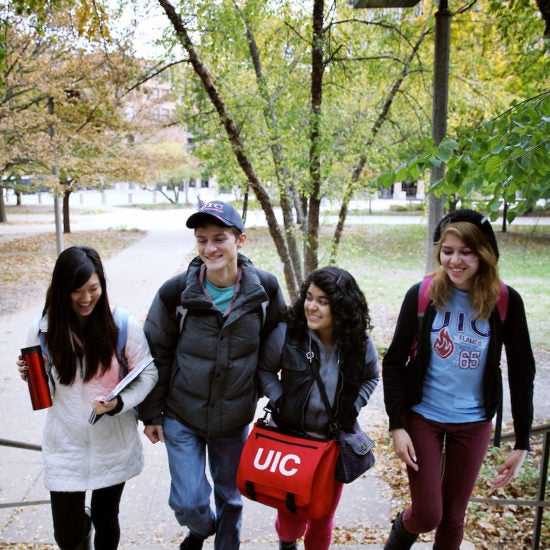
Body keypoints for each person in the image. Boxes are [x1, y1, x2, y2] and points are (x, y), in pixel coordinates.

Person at [382, 209, 536, 549]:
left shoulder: (505, 301)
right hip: (423, 417)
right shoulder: (422, 295)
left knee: (453, 518)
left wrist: (522, 442)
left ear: (484, 254)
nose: (455, 260)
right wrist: (397, 425)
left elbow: (522, 372)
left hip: (473, 421)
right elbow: (393, 361)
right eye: (448, 251)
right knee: (427, 514)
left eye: (466, 251)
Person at [138, 200, 286, 550]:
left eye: (219, 238)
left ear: (241, 240)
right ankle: (201, 528)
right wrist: (150, 413)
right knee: (189, 502)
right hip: (181, 414)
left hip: (234, 417)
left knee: (231, 498)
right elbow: (156, 351)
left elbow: (279, 336)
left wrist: (265, 387)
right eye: (202, 239)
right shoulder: (176, 292)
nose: (210, 248)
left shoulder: (265, 289)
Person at [16, 246, 158, 550]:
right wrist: (33, 376)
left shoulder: (121, 325)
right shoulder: (42, 330)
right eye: (76, 291)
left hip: (112, 442)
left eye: (93, 288)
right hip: (65, 442)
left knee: (107, 519)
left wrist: (118, 404)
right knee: (67, 534)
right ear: (61, 290)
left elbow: (148, 373)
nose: (85, 298)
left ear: (102, 286)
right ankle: (83, 526)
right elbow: (46, 395)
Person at [258, 266, 380, 550]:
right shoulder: (287, 334)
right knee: (291, 520)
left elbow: (372, 375)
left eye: (322, 301)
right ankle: (287, 544)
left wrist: (354, 405)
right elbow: (264, 370)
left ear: (341, 307)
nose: (311, 306)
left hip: (330, 444)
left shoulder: (358, 341)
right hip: (290, 440)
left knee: (322, 515)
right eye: (309, 297)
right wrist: (280, 400)